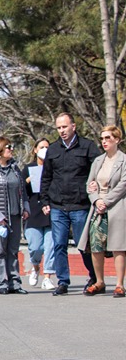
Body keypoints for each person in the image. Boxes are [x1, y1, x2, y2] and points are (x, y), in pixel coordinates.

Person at [40, 112, 102, 296]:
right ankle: (63, 282)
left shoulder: (87, 146)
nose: (62, 131)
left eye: (64, 127)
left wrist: (96, 188)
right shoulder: (53, 149)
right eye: (58, 128)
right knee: (59, 245)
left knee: (84, 245)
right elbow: (46, 177)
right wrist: (45, 200)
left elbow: (99, 170)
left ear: (73, 126)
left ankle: (94, 277)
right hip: (58, 206)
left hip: (80, 206)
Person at [77, 126, 126, 296]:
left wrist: (105, 201)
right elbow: (90, 184)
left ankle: (119, 284)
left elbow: (123, 185)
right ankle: (99, 282)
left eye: (108, 138)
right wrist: (96, 200)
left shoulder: (123, 160)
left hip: (117, 206)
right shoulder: (98, 161)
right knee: (95, 244)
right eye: (102, 138)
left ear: (117, 140)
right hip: (98, 208)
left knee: (119, 245)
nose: (104, 141)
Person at [0, 136, 30, 295]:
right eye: (8, 147)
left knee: (13, 250)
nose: (11, 149)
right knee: (0, 251)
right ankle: (3, 283)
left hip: (15, 215)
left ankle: (15, 283)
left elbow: (22, 190)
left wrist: (25, 208)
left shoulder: (15, 168)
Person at [23, 138, 56, 291]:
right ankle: (35, 267)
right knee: (35, 246)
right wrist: (28, 181)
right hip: (34, 212)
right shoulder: (28, 168)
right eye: (41, 147)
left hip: (50, 210)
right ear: (35, 150)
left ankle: (48, 276)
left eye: (47, 147)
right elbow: (20, 189)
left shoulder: (54, 167)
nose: (44, 150)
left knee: (50, 246)